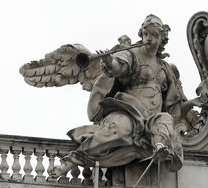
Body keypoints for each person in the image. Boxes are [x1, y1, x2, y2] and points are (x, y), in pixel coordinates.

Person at [53, 15, 186, 176]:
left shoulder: (164, 67)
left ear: (162, 38)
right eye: (145, 34)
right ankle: (71, 161)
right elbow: (119, 66)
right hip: (131, 111)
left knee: (165, 120)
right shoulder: (132, 55)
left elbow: (173, 101)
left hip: (152, 118)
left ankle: (158, 147)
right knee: (120, 129)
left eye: (154, 35)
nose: (148, 38)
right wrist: (110, 61)